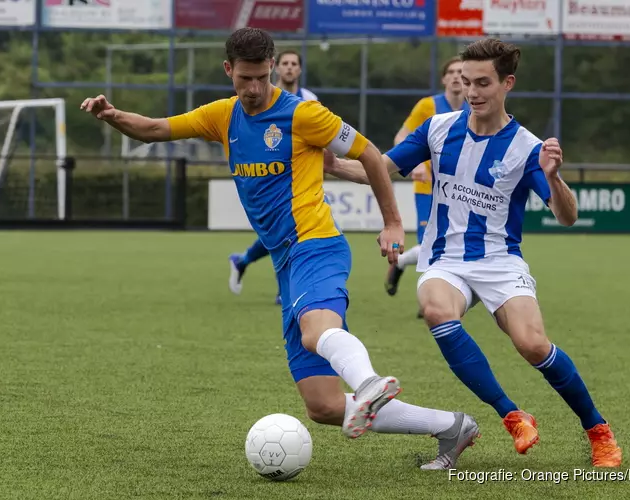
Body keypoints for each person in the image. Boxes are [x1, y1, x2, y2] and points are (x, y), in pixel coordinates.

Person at [80, 27, 479, 471]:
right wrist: (111, 114)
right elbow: (155, 129)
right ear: (229, 70)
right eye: (244, 79)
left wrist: (392, 222)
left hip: (317, 244)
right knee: (323, 405)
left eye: (261, 77)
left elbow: (369, 154)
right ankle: (452, 426)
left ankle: (369, 383)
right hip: (284, 261)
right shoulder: (222, 116)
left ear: (272, 68)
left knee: (315, 331)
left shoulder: (304, 114)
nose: (253, 89)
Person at [323, 38, 622, 468]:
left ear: (507, 83)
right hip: (444, 257)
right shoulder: (438, 128)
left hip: (500, 261)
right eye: (466, 82)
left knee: (533, 345)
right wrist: (333, 164)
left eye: (483, 83)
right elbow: (379, 169)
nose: (472, 92)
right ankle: (512, 415)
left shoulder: (527, 148)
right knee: (435, 309)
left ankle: (598, 430)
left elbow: (567, 216)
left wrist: (555, 178)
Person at [228, 50, 319, 304]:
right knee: (280, 231)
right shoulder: (259, 99)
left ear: (300, 70)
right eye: (285, 64)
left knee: (286, 231)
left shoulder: (309, 100)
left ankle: (245, 262)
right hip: (268, 178)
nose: (289, 68)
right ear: (275, 68)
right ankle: (282, 287)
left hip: (298, 177)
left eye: (294, 64)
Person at [385, 58, 469, 319]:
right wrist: (416, 164)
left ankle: (400, 264)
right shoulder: (428, 106)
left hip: (459, 189)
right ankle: (432, 302)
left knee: (451, 243)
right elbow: (402, 136)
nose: (456, 77)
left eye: (461, 73)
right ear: (444, 79)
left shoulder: (475, 107)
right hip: (427, 186)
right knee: (429, 244)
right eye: (451, 72)